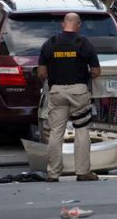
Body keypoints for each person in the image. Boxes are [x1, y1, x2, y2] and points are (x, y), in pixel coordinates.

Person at [38, 13, 101, 182]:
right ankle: (82, 172)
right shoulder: (84, 44)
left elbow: (42, 72)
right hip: (78, 92)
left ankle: (53, 173)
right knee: (81, 131)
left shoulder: (50, 44)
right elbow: (96, 72)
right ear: (78, 25)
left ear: (62, 24)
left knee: (56, 132)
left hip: (57, 92)